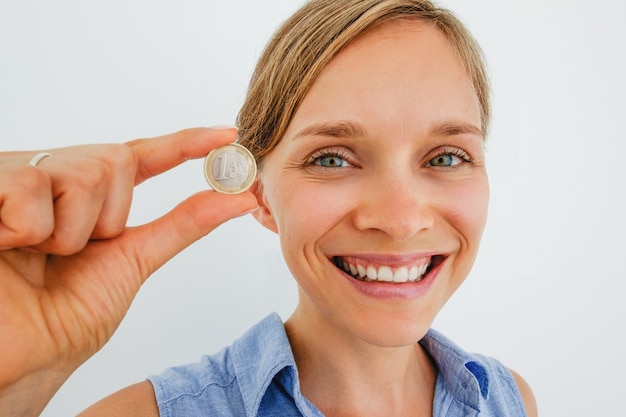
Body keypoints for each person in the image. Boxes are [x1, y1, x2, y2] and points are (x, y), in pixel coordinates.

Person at [0, 0, 538, 416]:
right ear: (258, 193)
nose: (400, 221)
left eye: (446, 157)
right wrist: (17, 389)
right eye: (332, 159)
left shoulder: (509, 398)